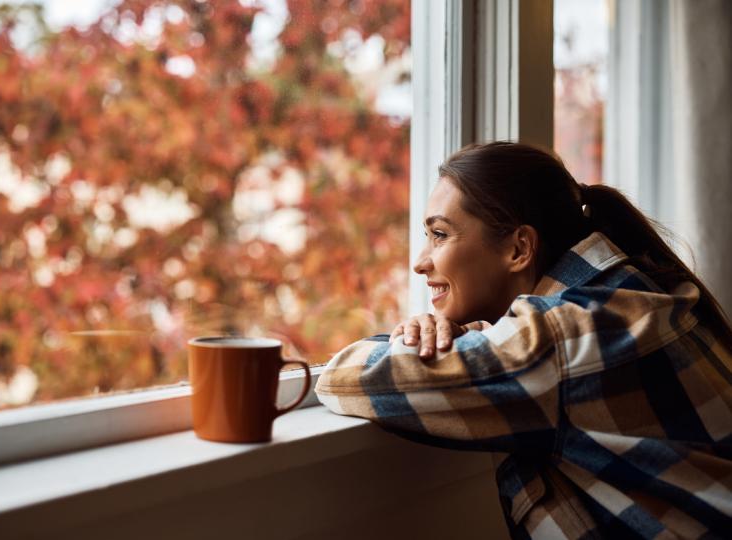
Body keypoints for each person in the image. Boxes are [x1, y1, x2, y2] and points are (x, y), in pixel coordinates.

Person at [314, 141, 732, 539]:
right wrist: (470, 334)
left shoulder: (562, 340)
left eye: (439, 235)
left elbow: (343, 377)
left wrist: (427, 338)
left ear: (519, 249)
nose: (420, 262)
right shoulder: (629, 294)